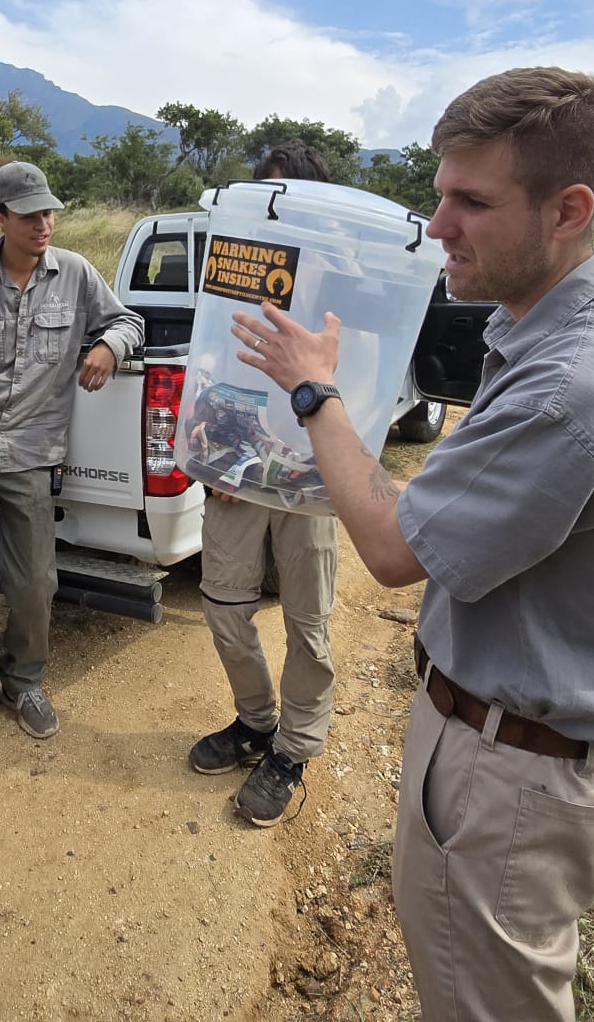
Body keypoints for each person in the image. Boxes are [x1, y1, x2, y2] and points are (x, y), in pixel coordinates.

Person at [234, 69, 594, 1020]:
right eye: (440, 192)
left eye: (472, 202)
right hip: (512, 749)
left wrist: (313, 389)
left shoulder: (572, 389)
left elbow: (388, 543)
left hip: (515, 779)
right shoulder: (554, 335)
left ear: (568, 210)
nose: (439, 224)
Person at [0, 159, 144, 746]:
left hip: (32, 452)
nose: (43, 224)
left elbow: (129, 319)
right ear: (0, 218)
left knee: (34, 583)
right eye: (29, 215)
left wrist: (107, 344)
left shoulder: (76, 274)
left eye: (49, 212)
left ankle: (23, 679)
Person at [188, 139, 341, 826]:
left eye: (286, 201)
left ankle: (294, 749)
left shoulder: (344, 283)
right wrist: (216, 448)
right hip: (240, 466)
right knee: (223, 608)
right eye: (266, 200)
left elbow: (362, 377)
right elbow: (212, 358)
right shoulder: (237, 268)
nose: (275, 217)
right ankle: (255, 722)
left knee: (309, 622)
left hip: (313, 469)